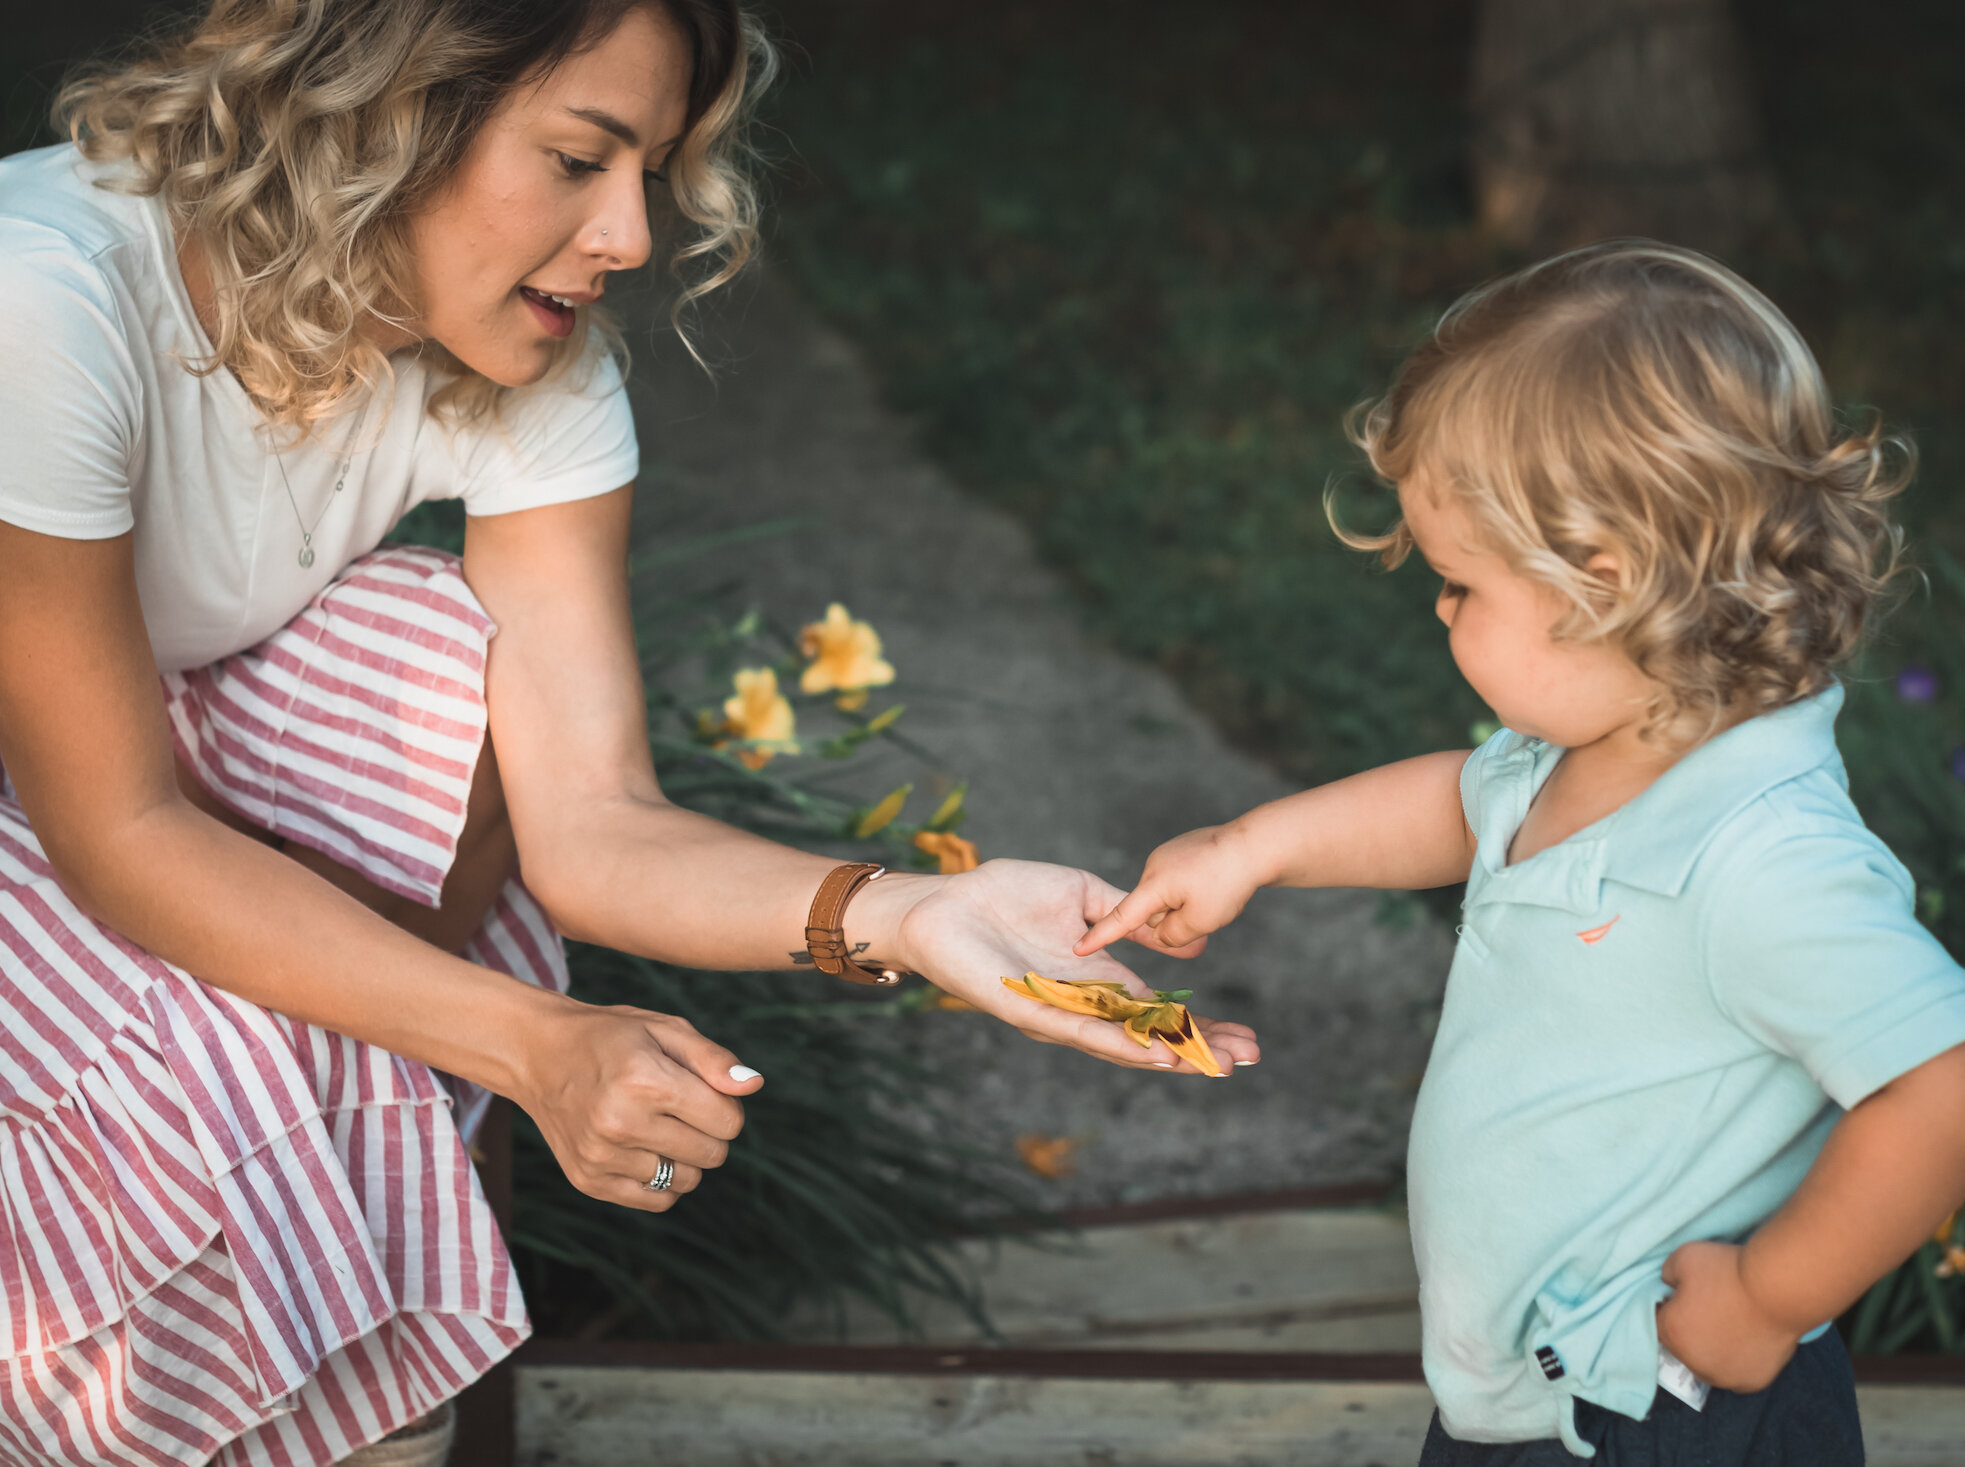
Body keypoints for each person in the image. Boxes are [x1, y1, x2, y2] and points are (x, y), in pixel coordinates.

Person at [0, 2, 1260, 1463]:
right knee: (221, 1036)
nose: (631, 236)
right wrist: (540, 1043)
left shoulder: (525, 361)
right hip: (81, 801)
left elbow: (592, 818)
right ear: (371, 109)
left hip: (97, 754)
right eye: (577, 159)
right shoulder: (48, 301)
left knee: (427, 648)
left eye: (649, 174)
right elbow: (118, 831)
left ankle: (326, 1270)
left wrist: (911, 913)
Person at [1077, 241, 1965, 1464]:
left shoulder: (1756, 859)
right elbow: (1460, 811)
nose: (1441, 611)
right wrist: (1253, 848)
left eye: (1458, 585)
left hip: (1669, 1399)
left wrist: (1768, 1299)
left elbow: (1951, 1084)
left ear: (1600, 586)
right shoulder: (1582, 750)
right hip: (1528, 1389)